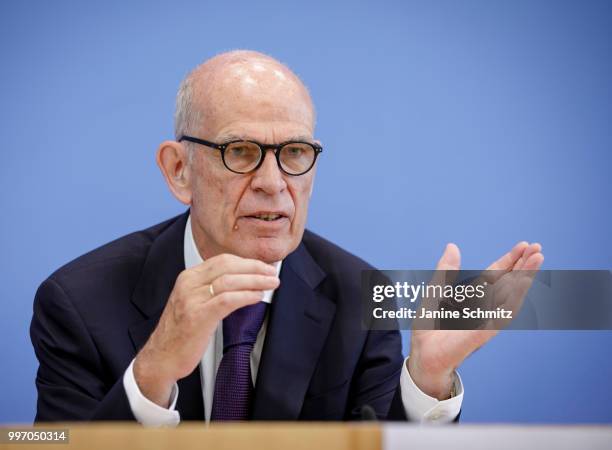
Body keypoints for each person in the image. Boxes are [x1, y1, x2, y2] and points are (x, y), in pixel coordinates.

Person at [30, 50, 544, 425]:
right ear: (179, 169)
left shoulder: (359, 299)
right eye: (241, 151)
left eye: (295, 153)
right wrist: (150, 376)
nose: (274, 184)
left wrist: (427, 380)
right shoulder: (79, 302)